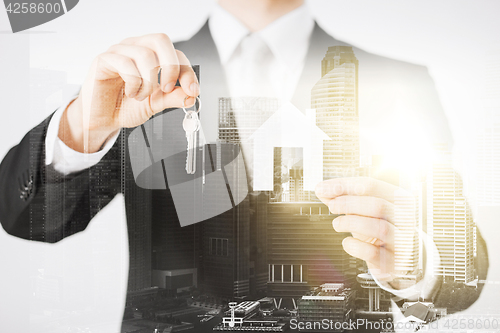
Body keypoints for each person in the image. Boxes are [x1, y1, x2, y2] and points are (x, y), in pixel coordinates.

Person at [0, 0, 488, 330]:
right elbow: (28, 218)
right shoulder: (137, 81)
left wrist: (413, 262)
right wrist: (82, 126)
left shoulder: (398, 83)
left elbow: (464, 267)